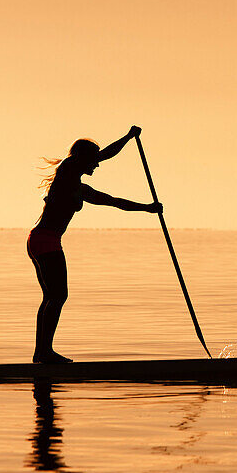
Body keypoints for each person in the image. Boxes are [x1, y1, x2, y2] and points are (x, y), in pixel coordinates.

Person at [27, 126, 161, 363]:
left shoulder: (80, 189)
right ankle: (43, 352)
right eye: (94, 160)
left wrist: (148, 208)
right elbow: (104, 155)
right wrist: (128, 138)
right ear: (82, 158)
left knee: (51, 297)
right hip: (45, 240)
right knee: (58, 296)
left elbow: (116, 202)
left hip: (41, 240)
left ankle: (41, 352)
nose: (97, 165)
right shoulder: (67, 170)